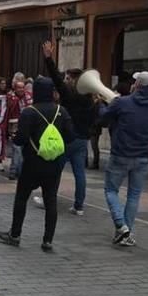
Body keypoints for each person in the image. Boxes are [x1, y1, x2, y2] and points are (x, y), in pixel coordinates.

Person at [0, 77, 74, 251]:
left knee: (22, 198)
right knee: (51, 200)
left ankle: (15, 235)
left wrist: (15, 137)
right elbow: (70, 137)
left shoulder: (29, 112)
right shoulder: (61, 111)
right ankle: (48, 240)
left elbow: (21, 140)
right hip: (54, 163)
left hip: (32, 162)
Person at [97, 71, 148, 247]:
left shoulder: (121, 103)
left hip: (121, 154)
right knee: (134, 195)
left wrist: (103, 103)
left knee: (111, 191)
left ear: (137, 85)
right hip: (142, 157)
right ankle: (126, 232)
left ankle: (121, 225)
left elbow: (103, 119)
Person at [40, 42, 96, 215]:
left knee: (55, 169)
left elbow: (56, 77)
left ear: (72, 80)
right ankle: (79, 206)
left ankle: (47, 199)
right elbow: (94, 118)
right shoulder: (90, 98)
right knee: (80, 173)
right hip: (82, 140)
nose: (65, 80)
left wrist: (48, 58)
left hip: (67, 138)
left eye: (68, 78)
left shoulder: (69, 95)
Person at [5, 80, 32, 180]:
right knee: (16, 148)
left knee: (23, 149)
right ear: (15, 89)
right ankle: (14, 171)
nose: (21, 89)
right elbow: (9, 110)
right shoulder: (11, 98)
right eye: (19, 87)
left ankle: (20, 170)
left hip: (27, 125)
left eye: (22, 87)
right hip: (14, 126)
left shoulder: (29, 97)